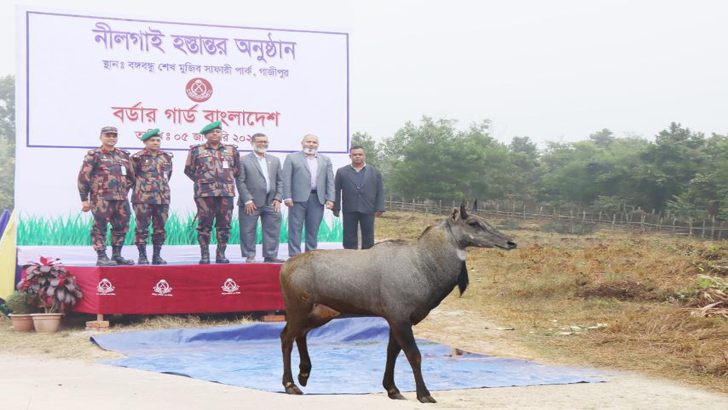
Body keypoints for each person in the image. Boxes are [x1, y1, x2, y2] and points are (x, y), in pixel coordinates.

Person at [77, 126, 135, 266]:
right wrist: (85, 200)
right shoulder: (94, 155)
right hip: (101, 198)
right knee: (99, 227)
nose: (111, 138)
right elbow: (83, 177)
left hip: (121, 199)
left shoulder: (123, 155)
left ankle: (117, 255)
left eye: (114, 136)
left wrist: (123, 190)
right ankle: (102, 256)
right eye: (108, 135)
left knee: (122, 226)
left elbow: (131, 177)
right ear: (101, 137)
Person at [184, 121, 240, 264]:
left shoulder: (231, 150)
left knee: (224, 224)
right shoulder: (197, 150)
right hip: (204, 193)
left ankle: (221, 254)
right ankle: (205, 255)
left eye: (218, 131)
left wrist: (223, 179)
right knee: (204, 225)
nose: (215, 134)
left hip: (226, 193)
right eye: (212, 132)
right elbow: (189, 170)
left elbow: (237, 169)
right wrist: (203, 181)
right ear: (206, 135)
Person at [282, 134, 335, 256]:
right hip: (296, 200)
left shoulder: (325, 160)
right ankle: (294, 256)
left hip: (317, 199)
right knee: (295, 229)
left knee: (313, 229)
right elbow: (286, 178)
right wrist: (287, 196)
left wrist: (331, 198)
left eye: (314, 142)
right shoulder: (292, 158)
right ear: (302, 143)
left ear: (318, 144)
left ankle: (310, 255)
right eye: (308, 141)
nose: (311, 144)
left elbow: (330, 180)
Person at [236, 133, 284, 263]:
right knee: (248, 230)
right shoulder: (243, 160)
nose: (263, 144)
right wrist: (247, 200)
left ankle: (270, 255)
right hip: (251, 203)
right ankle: (250, 255)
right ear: (252, 143)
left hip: (271, 202)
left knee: (272, 230)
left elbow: (280, 181)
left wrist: (278, 198)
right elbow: (240, 181)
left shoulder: (274, 160)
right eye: (259, 142)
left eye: (265, 142)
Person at [130, 129, 173, 265]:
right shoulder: (137, 157)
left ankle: (157, 256)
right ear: (145, 142)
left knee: (160, 228)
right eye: (152, 140)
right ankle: (142, 256)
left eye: (157, 140)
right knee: (142, 228)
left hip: (162, 198)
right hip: (142, 198)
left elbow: (168, 175)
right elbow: (131, 177)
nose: (155, 143)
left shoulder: (166, 157)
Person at [333, 146, 385, 249]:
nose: (357, 156)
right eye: (355, 155)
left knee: (368, 235)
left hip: (368, 208)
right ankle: (350, 257)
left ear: (364, 156)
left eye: (360, 154)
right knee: (349, 235)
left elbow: (380, 191)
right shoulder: (341, 172)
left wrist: (380, 207)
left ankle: (367, 258)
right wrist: (336, 208)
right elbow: (336, 191)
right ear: (350, 156)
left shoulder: (375, 172)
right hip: (349, 208)